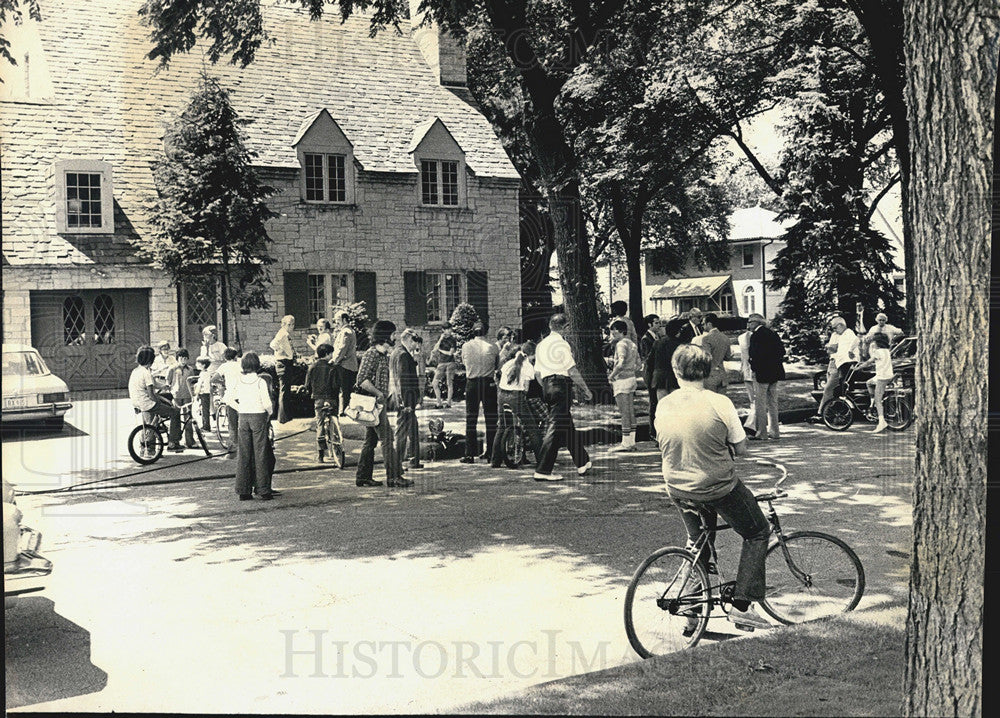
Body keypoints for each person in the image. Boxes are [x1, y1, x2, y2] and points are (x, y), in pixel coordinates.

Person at [655, 343, 771, 631]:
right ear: (706, 372)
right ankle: (743, 604)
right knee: (757, 531)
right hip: (716, 485)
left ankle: (692, 612)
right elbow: (741, 447)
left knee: (698, 544)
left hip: (678, 484)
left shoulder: (664, 403)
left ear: (675, 370)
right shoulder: (719, 402)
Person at [532, 314, 593, 481]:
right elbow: (572, 370)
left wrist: (546, 388)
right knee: (555, 427)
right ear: (565, 328)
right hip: (560, 385)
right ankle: (543, 469)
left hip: (546, 384)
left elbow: (537, 373)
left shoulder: (541, 345)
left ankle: (582, 461)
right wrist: (585, 389)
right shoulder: (562, 344)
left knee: (566, 425)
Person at [355, 320, 410, 488]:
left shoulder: (383, 355)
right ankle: (394, 477)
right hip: (374, 403)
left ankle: (363, 477)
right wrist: (379, 394)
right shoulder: (372, 354)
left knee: (370, 441)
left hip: (378, 403)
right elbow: (361, 380)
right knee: (387, 438)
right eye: (393, 334)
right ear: (385, 336)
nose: (395, 337)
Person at [491, 340, 544, 468]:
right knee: (532, 427)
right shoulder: (528, 367)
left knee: (502, 427)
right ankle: (542, 460)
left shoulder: (508, 363)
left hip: (502, 395)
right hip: (516, 396)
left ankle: (495, 460)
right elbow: (525, 388)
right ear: (531, 354)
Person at [232, 352, 277, 500]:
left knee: (244, 453)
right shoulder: (260, 382)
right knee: (260, 452)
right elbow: (267, 403)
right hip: (258, 416)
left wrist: (240, 409)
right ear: (257, 365)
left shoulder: (238, 381)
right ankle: (263, 489)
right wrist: (269, 413)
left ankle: (243, 490)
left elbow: (228, 398)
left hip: (243, 417)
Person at [129, 345, 182, 452]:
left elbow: (152, 383)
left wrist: (163, 386)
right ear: (150, 360)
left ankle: (147, 448)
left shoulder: (136, 371)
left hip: (137, 402)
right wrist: (162, 402)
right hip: (147, 402)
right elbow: (152, 394)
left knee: (148, 423)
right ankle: (173, 442)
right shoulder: (146, 373)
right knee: (175, 412)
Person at [460, 322, 500, 463]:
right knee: (491, 419)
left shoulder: (466, 346)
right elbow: (497, 365)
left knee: (471, 418)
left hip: (472, 382)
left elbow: (464, 362)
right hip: (488, 383)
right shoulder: (493, 347)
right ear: (486, 332)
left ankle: (469, 454)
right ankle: (491, 452)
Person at [746, 314, 786, 441]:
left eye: (750, 322)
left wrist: (754, 367)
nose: (748, 325)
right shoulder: (773, 333)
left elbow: (753, 354)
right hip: (774, 372)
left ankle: (761, 432)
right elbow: (782, 351)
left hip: (761, 373)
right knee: (773, 402)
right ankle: (775, 431)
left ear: (756, 323)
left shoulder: (755, 336)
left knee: (760, 403)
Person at [391, 329, 424, 471]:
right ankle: (397, 463)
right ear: (409, 340)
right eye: (415, 342)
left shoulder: (398, 352)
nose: (416, 345)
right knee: (402, 432)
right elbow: (402, 379)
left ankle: (413, 459)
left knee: (413, 429)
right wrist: (405, 402)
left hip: (406, 398)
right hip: (406, 399)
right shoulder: (403, 355)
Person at [608, 320, 641, 452]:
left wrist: (612, 375)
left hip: (621, 380)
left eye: (613, 330)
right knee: (631, 411)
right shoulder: (632, 344)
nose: (612, 333)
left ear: (619, 330)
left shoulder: (621, 344)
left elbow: (620, 363)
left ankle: (625, 443)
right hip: (632, 378)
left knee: (624, 413)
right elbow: (638, 364)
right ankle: (631, 442)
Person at [816, 316, 859, 417]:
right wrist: (831, 348)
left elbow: (838, 349)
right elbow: (831, 350)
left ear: (841, 325)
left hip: (842, 364)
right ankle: (830, 412)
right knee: (831, 390)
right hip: (833, 363)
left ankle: (822, 414)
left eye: (835, 327)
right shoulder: (835, 334)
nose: (833, 330)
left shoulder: (848, 333)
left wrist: (832, 347)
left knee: (829, 388)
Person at [305, 343, 338, 462]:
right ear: (327, 354)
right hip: (331, 398)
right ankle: (336, 446)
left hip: (318, 399)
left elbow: (307, 385)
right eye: (331, 353)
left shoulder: (312, 367)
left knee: (320, 424)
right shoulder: (331, 368)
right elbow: (335, 385)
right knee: (334, 419)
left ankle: (320, 455)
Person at [212, 347, 242, 457]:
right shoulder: (241, 364)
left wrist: (223, 382)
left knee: (232, 424)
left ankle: (234, 448)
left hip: (231, 396)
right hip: (242, 395)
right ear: (235, 356)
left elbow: (213, 379)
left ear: (225, 357)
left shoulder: (224, 366)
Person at [166, 348, 197, 448]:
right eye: (181, 358)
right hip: (176, 396)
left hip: (187, 395)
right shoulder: (172, 369)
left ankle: (189, 441)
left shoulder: (190, 369)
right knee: (175, 418)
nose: (183, 360)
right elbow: (168, 382)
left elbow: (192, 383)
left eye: (185, 358)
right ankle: (174, 441)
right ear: (177, 358)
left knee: (188, 418)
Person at [640, 314, 665, 442]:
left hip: (657, 373)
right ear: (650, 325)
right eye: (656, 323)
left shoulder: (659, 337)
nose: (659, 325)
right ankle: (652, 431)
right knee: (653, 402)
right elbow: (647, 358)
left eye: (659, 322)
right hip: (651, 373)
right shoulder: (646, 339)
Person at [330, 310, 359, 416]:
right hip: (349, 365)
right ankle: (345, 411)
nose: (336, 322)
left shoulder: (345, 332)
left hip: (345, 365)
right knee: (346, 390)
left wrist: (333, 361)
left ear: (344, 320)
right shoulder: (349, 331)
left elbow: (342, 349)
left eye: (338, 320)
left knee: (343, 390)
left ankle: (343, 411)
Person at [269, 315, 297, 423]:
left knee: (286, 390)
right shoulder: (283, 334)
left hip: (285, 362)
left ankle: (286, 416)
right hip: (283, 363)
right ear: (283, 324)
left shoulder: (284, 333)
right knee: (284, 390)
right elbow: (273, 344)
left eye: (293, 324)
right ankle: (283, 417)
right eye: (289, 324)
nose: (291, 326)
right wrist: (281, 350)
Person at [865, 332, 894, 433]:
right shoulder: (886, 350)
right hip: (887, 375)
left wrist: (859, 367)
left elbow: (869, 361)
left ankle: (882, 422)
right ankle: (872, 403)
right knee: (868, 383)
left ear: (877, 342)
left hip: (882, 377)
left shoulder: (877, 352)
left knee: (878, 399)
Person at [700, 313, 731, 394]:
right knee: (721, 403)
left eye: (703, 324)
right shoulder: (725, 338)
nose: (702, 326)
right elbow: (728, 357)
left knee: (711, 403)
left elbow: (706, 357)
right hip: (722, 374)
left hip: (710, 375)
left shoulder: (706, 339)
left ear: (709, 324)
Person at [737, 324, 757, 436]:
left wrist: (741, 368)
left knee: (753, 400)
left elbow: (743, 356)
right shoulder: (756, 336)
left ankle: (752, 423)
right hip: (754, 370)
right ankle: (752, 424)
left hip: (746, 370)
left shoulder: (741, 337)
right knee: (757, 400)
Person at [430, 330, 459, 408]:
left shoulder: (453, 340)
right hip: (441, 363)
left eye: (449, 329)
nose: (447, 331)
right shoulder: (441, 338)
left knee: (449, 383)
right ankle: (439, 403)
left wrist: (441, 350)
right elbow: (435, 349)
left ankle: (448, 403)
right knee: (434, 383)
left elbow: (450, 353)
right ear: (443, 330)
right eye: (445, 329)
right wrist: (440, 340)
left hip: (450, 363)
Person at [193, 356, 214, 430]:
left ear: (203, 365)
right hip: (206, 393)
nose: (196, 365)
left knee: (204, 410)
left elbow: (200, 384)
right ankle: (206, 425)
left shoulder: (202, 374)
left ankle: (206, 426)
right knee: (205, 409)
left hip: (203, 393)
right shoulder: (207, 373)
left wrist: (196, 392)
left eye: (198, 363)